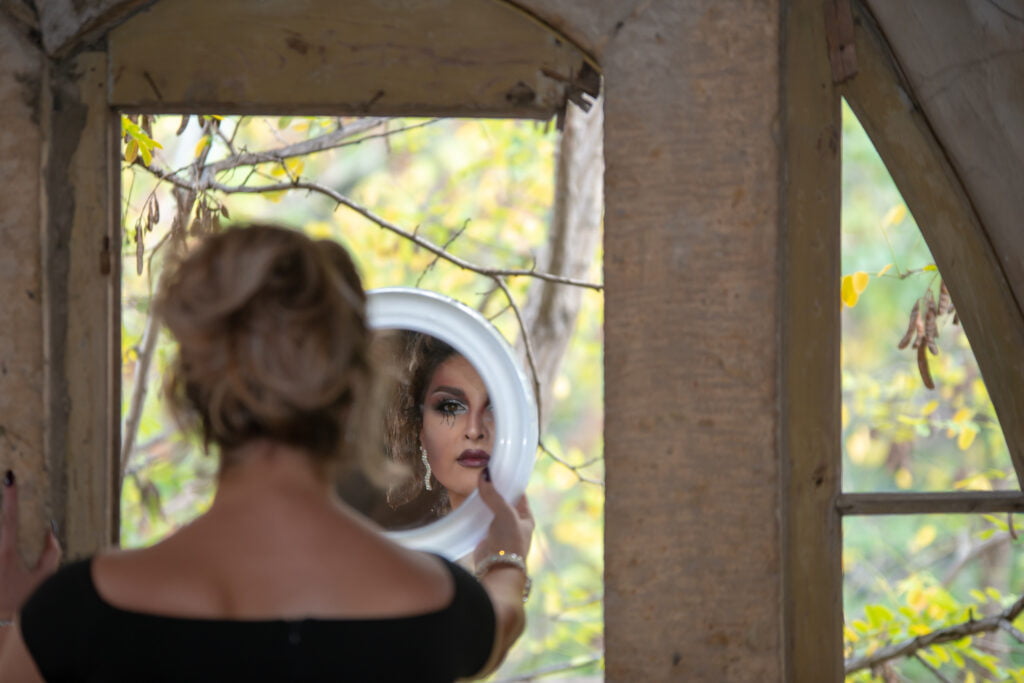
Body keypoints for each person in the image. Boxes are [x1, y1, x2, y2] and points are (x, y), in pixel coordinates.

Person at [0, 225, 533, 682]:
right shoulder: (437, 605)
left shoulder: (75, 615)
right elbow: (500, 620)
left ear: (193, 393)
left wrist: (13, 620)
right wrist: (505, 559)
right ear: (356, 395)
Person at [384, 333, 495, 520]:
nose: (474, 431)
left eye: (494, 408)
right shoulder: (393, 532)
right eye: (451, 407)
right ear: (421, 429)